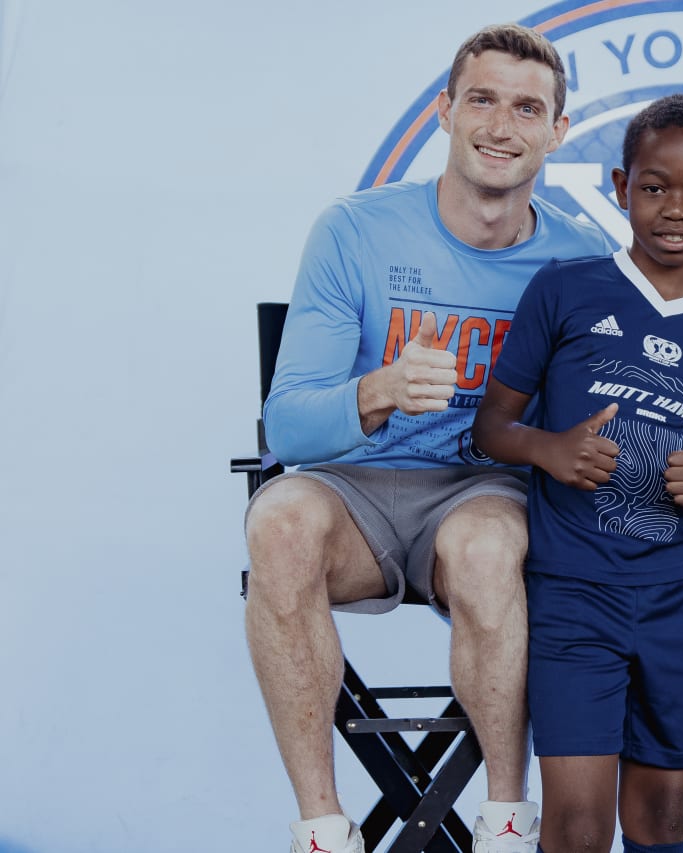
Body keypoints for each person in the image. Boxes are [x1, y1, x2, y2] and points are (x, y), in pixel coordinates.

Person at [242, 23, 613, 853]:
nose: (499, 125)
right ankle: (322, 828)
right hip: (356, 491)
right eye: (481, 99)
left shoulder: (580, 263)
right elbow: (290, 423)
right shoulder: (354, 231)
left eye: (527, 108)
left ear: (557, 134)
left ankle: (507, 818)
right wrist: (376, 390)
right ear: (444, 112)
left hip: (484, 491)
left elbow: (585, 430)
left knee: (486, 547)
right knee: (277, 520)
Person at [473, 94, 683, 853]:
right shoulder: (566, 292)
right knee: (576, 824)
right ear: (619, 185)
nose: (676, 208)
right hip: (574, 594)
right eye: (654, 186)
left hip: (677, 601)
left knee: (664, 819)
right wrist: (550, 449)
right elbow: (490, 425)